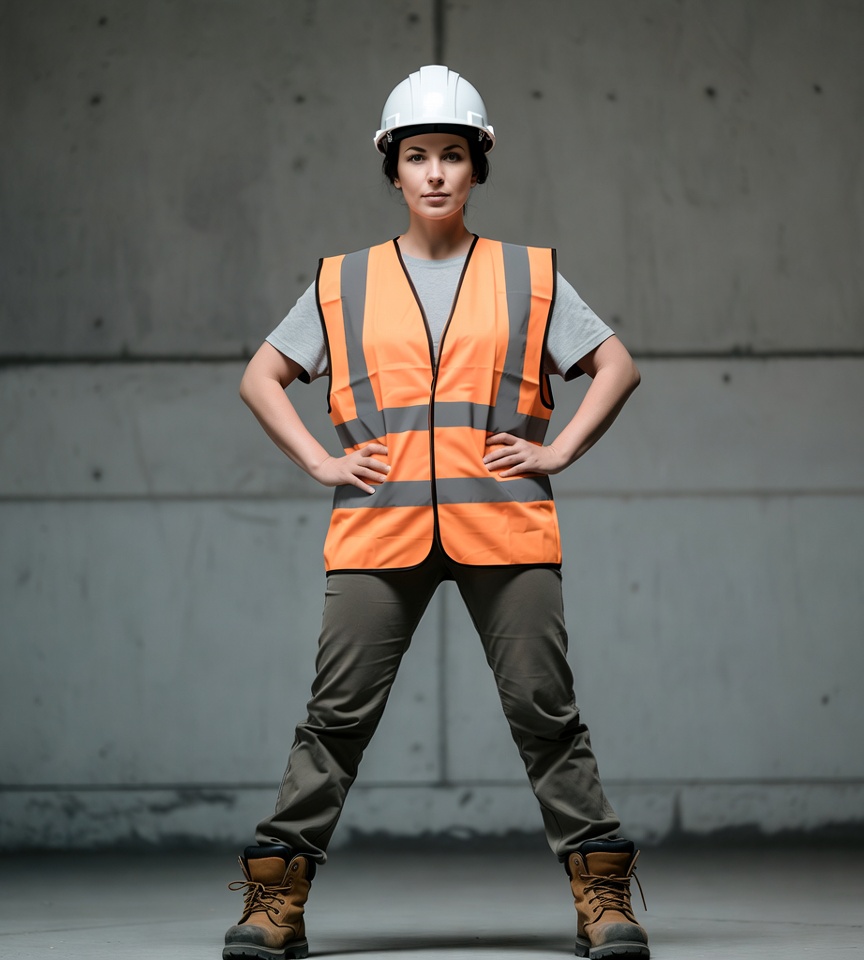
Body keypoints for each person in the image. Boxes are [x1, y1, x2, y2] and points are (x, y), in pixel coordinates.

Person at [225, 65, 649, 960]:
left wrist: (559, 449)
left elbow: (617, 365)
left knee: (546, 711)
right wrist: (320, 460)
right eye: (417, 155)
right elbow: (260, 377)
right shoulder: (343, 282)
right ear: (393, 169)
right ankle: (276, 905)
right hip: (378, 527)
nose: (435, 173)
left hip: (505, 520)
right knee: (335, 718)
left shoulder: (530, 275)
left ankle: (602, 898)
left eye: (451, 155)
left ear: (476, 165)